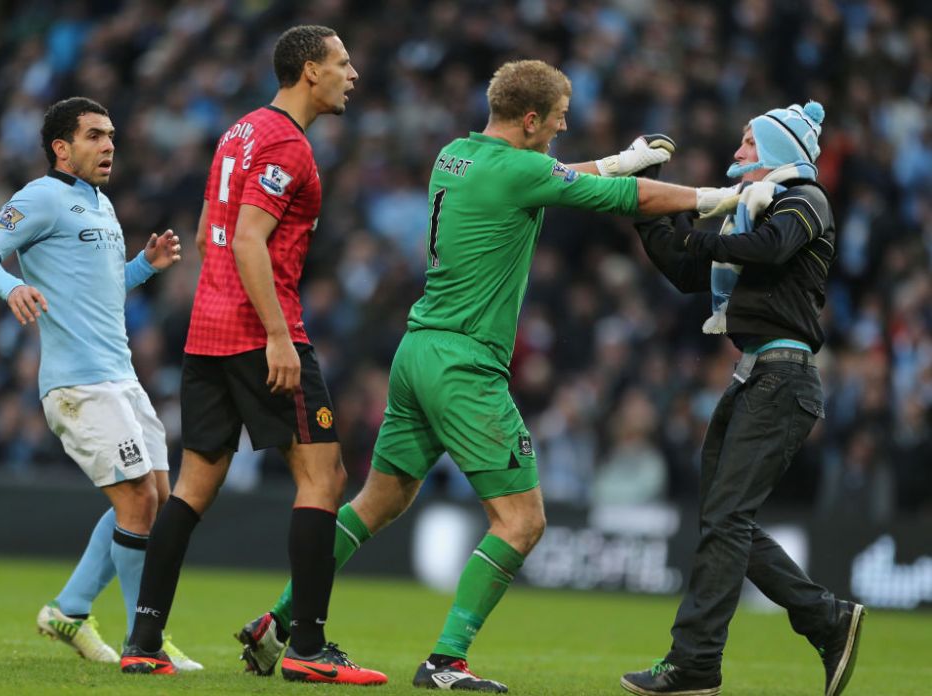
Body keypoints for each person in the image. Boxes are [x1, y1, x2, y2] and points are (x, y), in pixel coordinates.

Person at [236, 59, 757, 693]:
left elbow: (554, 178)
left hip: (417, 352)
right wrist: (721, 198)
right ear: (532, 118)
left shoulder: (455, 155)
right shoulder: (522, 170)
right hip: (464, 367)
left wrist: (619, 158)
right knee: (521, 520)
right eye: (560, 117)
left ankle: (279, 618)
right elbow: (628, 198)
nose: (566, 125)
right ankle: (446, 661)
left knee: (379, 501)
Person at [119, 25, 385, 685]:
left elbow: (215, 230)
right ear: (308, 71)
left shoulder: (237, 132)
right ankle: (309, 648)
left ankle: (142, 640)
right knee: (324, 479)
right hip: (261, 335)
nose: (353, 74)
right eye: (342, 63)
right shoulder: (288, 147)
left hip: (206, 332)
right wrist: (274, 334)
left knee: (193, 486)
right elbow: (245, 240)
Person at [620, 102, 864, 696]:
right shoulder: (745, 217)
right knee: (725, 520)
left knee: (726, 519)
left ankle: (697, 661)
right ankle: (825, 619)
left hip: (783, 377)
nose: (736, 154)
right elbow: (682, 265)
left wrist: (701, 210)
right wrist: (641, 193)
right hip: (756, 376)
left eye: (749, 144)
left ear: (780, 151)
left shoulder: (805, 200)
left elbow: (769, 249)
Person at [0, 97, 200, 670]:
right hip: (78, 384)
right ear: (61, 148)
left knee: (154, 500)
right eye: (95, 136)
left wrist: (144, 265)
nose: (109, 145)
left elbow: (104, 291)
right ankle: (146, 641)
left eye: (111, 135)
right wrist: (11, 288)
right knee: (138, 499)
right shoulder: (41, 197)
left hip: (121, 377)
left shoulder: (100, 204)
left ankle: (69, 610)